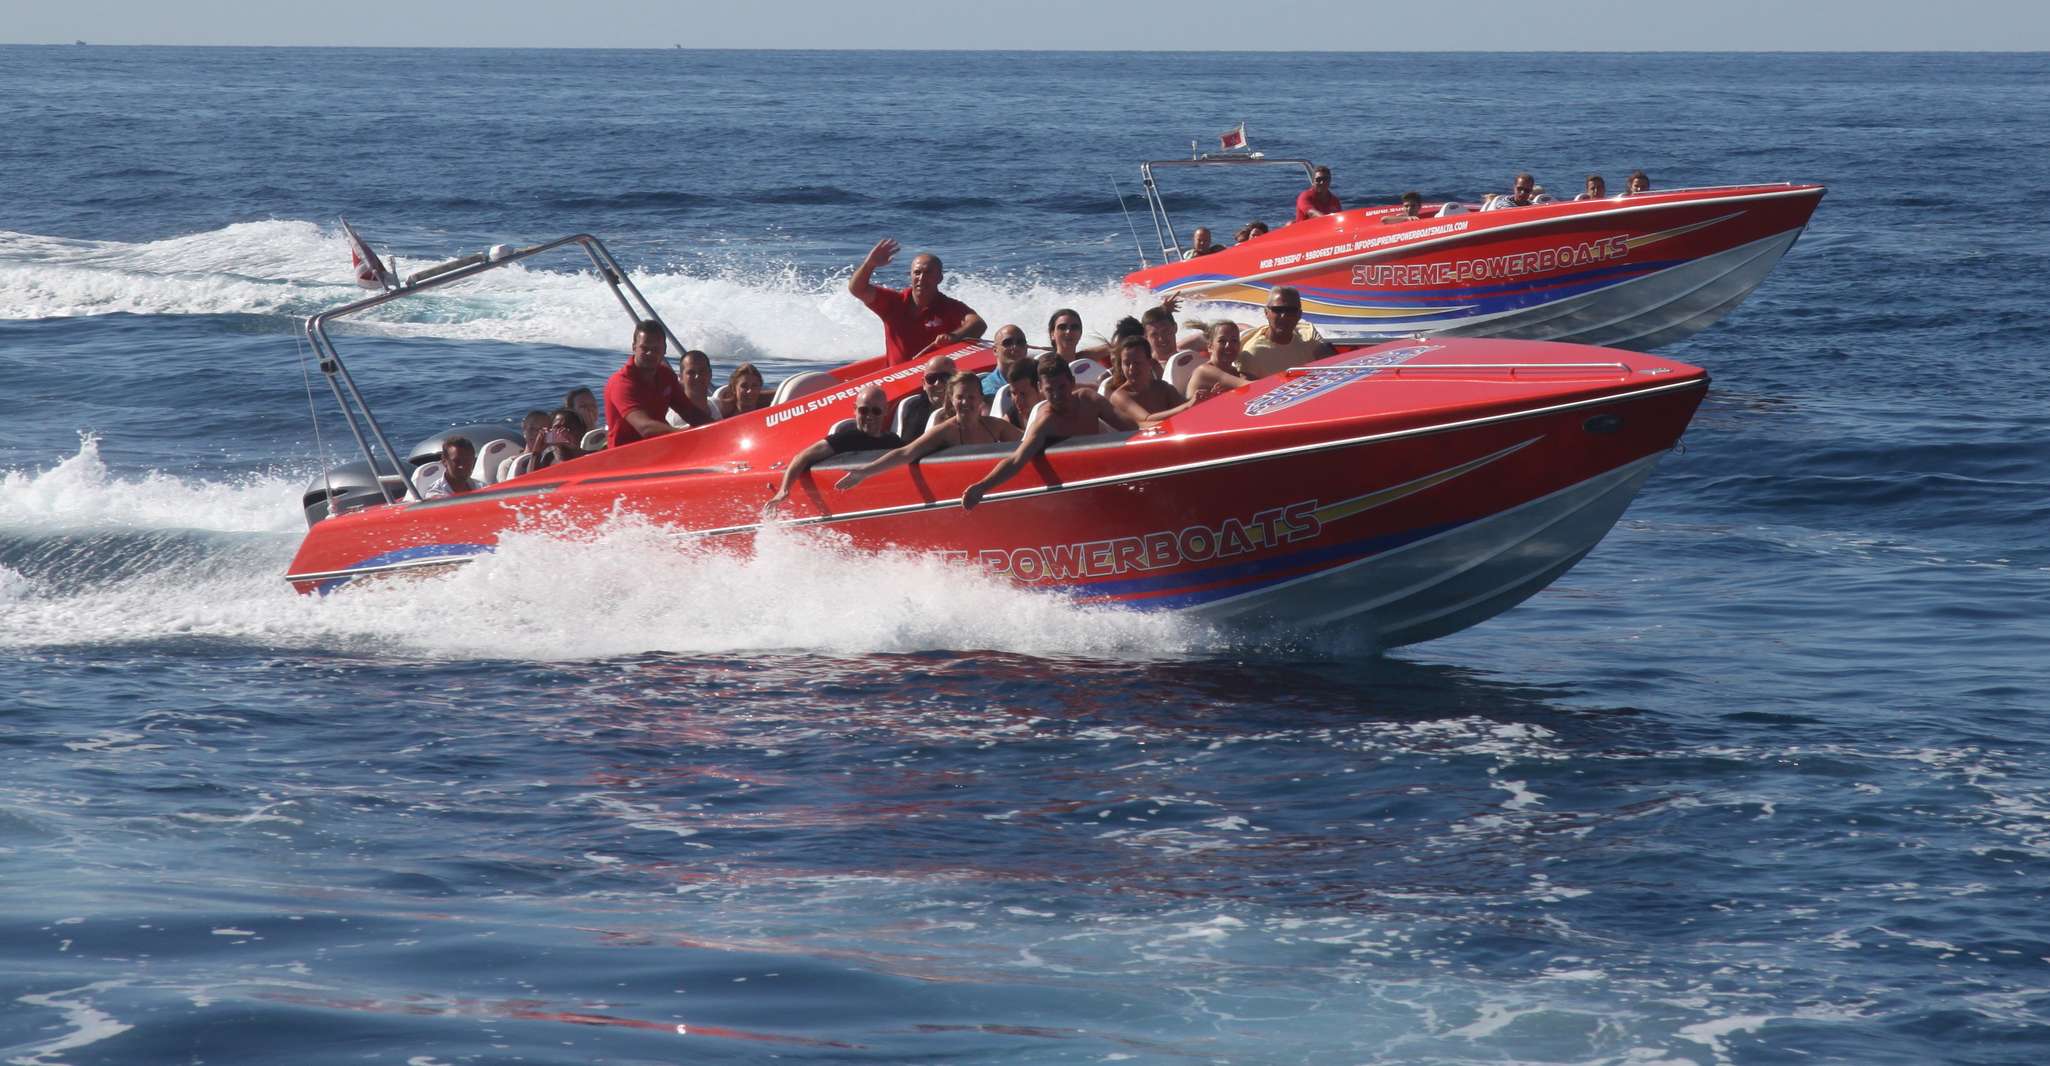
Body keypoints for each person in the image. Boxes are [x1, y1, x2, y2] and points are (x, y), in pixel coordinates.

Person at [961, 353, 1137, 511]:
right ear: (1040, 389)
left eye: (1061, 387)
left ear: (1072, 382)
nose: (1057, 395)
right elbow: (1016, 460)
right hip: (1069, 494)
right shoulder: (1046, 422)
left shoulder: (1089, 399)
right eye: (1050, 390)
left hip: (1103, 476)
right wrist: (982, 487)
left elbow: (1131, 427)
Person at [836, 372, 1022, 491]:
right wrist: (865, 471)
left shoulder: (995, 426)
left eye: (971, 397)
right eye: (960, 397)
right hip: (954, 493)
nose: (965, 403)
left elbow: (1027, 441)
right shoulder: (945, 431)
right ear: (951, 399)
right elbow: (906, 453)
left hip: (988, 488)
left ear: (981, 398)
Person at [847, 238, 986, 366]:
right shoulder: (894, 302)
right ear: (910, 276)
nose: (922, 278)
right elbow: (857, 289)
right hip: (896, 380)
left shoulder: (949, 306)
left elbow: (978, 324)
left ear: (939, 278)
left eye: (928, 273)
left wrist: (954, 337)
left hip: (935, 379)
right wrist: (870, 264)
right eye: (917, 273)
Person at [767, 385, 904, 507]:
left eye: (876, 411)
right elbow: (802, 457)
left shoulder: (894, 441)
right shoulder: (846, 439)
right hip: (849, 501)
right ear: (855, 410)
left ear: (885, 411)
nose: (869, 416)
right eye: (863, 410)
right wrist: (783, 490)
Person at [604, 319, 713, 448]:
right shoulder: (621, 383)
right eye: (645, 348)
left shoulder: (666, 375)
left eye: (656, 349)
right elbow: (645, 427)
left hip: (658, 450)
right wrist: (687, 435)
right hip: (624, 459)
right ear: (634, 347)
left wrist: (719, 429)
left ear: (664, 350)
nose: (650, 353)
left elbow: (690, 412)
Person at [1236, 288, 1333, 379]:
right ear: (1266, 313)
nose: (1284, 316)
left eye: (1291, 310)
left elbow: (1332, 365)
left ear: (1299, 314)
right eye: (1277, 310)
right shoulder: (1252, 353)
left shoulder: (1308, 332)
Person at [1108, 336, 1197, 426]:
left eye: (1137, 363)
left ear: (1149, 363)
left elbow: (1186, 408)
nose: (1131, 368)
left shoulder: (1162, 387)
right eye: (1127, 363)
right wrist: (1188, 405)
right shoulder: (1119, 396)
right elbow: (1147, 419)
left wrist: (1200, 399)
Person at [1182, 320, 1250, 400]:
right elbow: (1251, 385)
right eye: (1222, 341)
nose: (1228, 345)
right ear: (1210, 347)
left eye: (1234, 341)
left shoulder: (1235, 372)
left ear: (1239, 345)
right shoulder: (1204, 371)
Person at [896, 353, 956, 439]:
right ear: (924, 384)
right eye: (931, 378)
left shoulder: (968, 406)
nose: (937, 383)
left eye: (945, 377)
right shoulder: (915, 411)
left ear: (956, 380)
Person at [1000, 357, 1045, 432]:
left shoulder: (1056, 414)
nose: (1017, 401)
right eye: (1013, 393)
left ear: (1040, 388)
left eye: (1023, 394)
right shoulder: (1012, 417)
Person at [678, 350, 717, 421]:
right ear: (681, 377)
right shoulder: (675, 419)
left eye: (702, 371)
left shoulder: (715, 407)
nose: (697, 376)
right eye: (691, 372)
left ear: (710, 374)